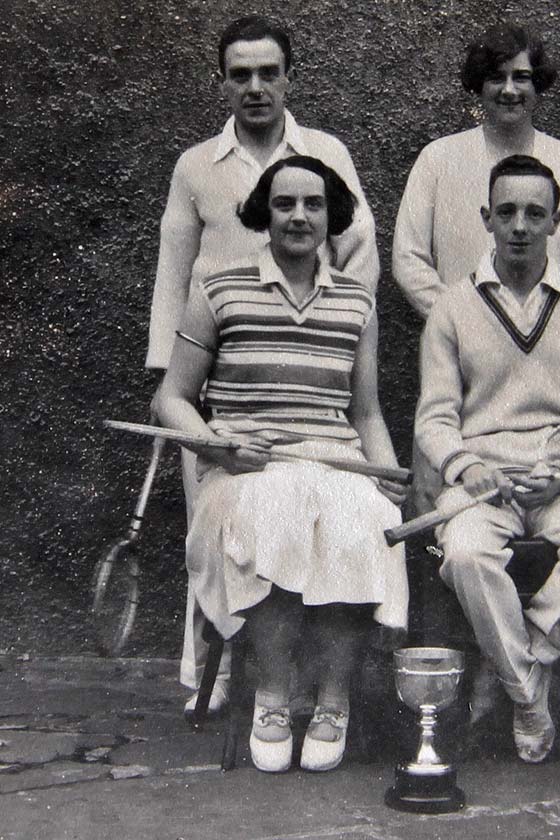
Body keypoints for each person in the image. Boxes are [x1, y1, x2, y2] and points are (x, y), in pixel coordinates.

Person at [146, 16, 380, 716]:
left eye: (267, 72)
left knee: (309, 529)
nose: (254, 87)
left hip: (305, 365)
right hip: (217, 376)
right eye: (240, 73)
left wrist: (325, 315)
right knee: (215, 530)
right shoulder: (195, 166)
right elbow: (173, 271)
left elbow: (359, 250)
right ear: (223, 80)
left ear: (289, 78)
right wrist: (170, 385)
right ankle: (214, 673)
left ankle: (300, 679)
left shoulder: (326, 152)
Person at [154, 156, 407, 773]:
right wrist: (216, 444)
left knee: (363, 520)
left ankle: (331, 700)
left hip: (335, 464)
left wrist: (391, 477)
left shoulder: (357, 302)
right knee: (275, 511)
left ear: (332, 216)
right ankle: (271, 695)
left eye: (313, 204)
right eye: (285, 203)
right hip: (246, 472)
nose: (299, 216)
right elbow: (171, 399)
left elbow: (366, 412)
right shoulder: (219, 287)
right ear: (262, 213)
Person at [415, 155, 560, 763]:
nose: (519, 225)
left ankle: (519, 662)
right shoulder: (453, 305)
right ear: (486, 218)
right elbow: (434, 417)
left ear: (556, 220)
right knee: (463, 553)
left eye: (534, 213)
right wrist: (465, 466)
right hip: (485, 480)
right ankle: (530, 697)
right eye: (506, 211)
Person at [393, 21, 560, 319]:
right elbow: (408, 258)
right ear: (480, 86)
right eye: (497, 78)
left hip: (553, 346)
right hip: (462, 345)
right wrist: (462, 322)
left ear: (537, 85)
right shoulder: (438, 159)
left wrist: (557, 323)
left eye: (521, 77)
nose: (509, 90)